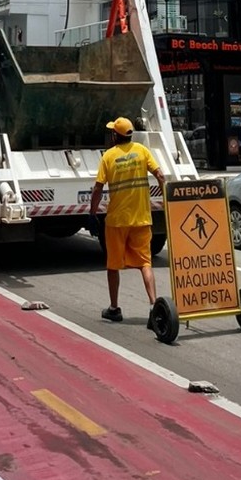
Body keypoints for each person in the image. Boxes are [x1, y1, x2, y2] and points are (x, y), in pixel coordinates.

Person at [89, 116, 165, 329]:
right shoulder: (142, 151)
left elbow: (97, 188)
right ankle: (153, 306)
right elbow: (160, 174)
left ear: (115, 135)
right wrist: (167, 197)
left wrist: (92, 213)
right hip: (142, 219)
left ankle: (114, 308)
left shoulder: (109, 156)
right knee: (145, 263)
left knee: (113, 266)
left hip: (117, 222)